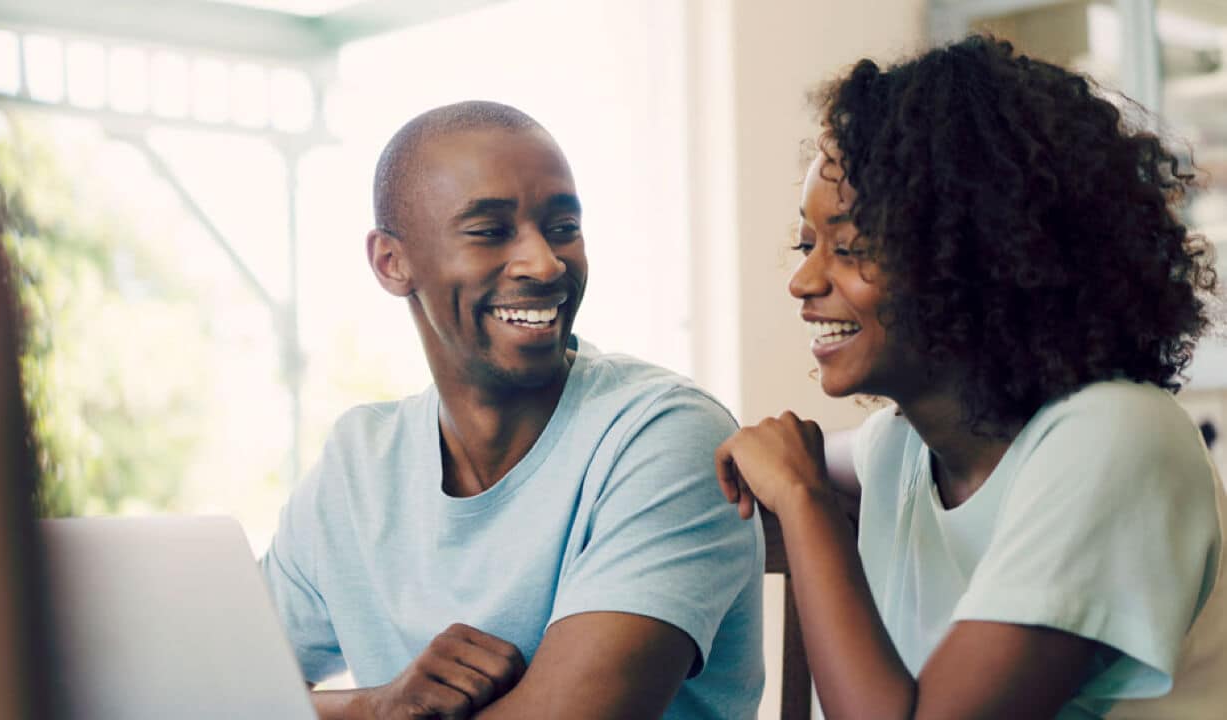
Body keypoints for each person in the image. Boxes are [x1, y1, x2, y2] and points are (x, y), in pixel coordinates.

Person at [715, 35, 1227, 718]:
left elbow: (800, 476)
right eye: (807, 245)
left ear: (976, 257)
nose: (803, 281)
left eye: (850, 248)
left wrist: (806, 503)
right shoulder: (904, 448)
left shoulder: (1117, 436)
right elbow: (771, 456)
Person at [261, 101, 763, 719]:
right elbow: (208, 691)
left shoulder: (666, 435)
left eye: (562, 228)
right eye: (490, 231)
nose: (545, 263)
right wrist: (375, 706)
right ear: (392, 263)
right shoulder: (357, 464)